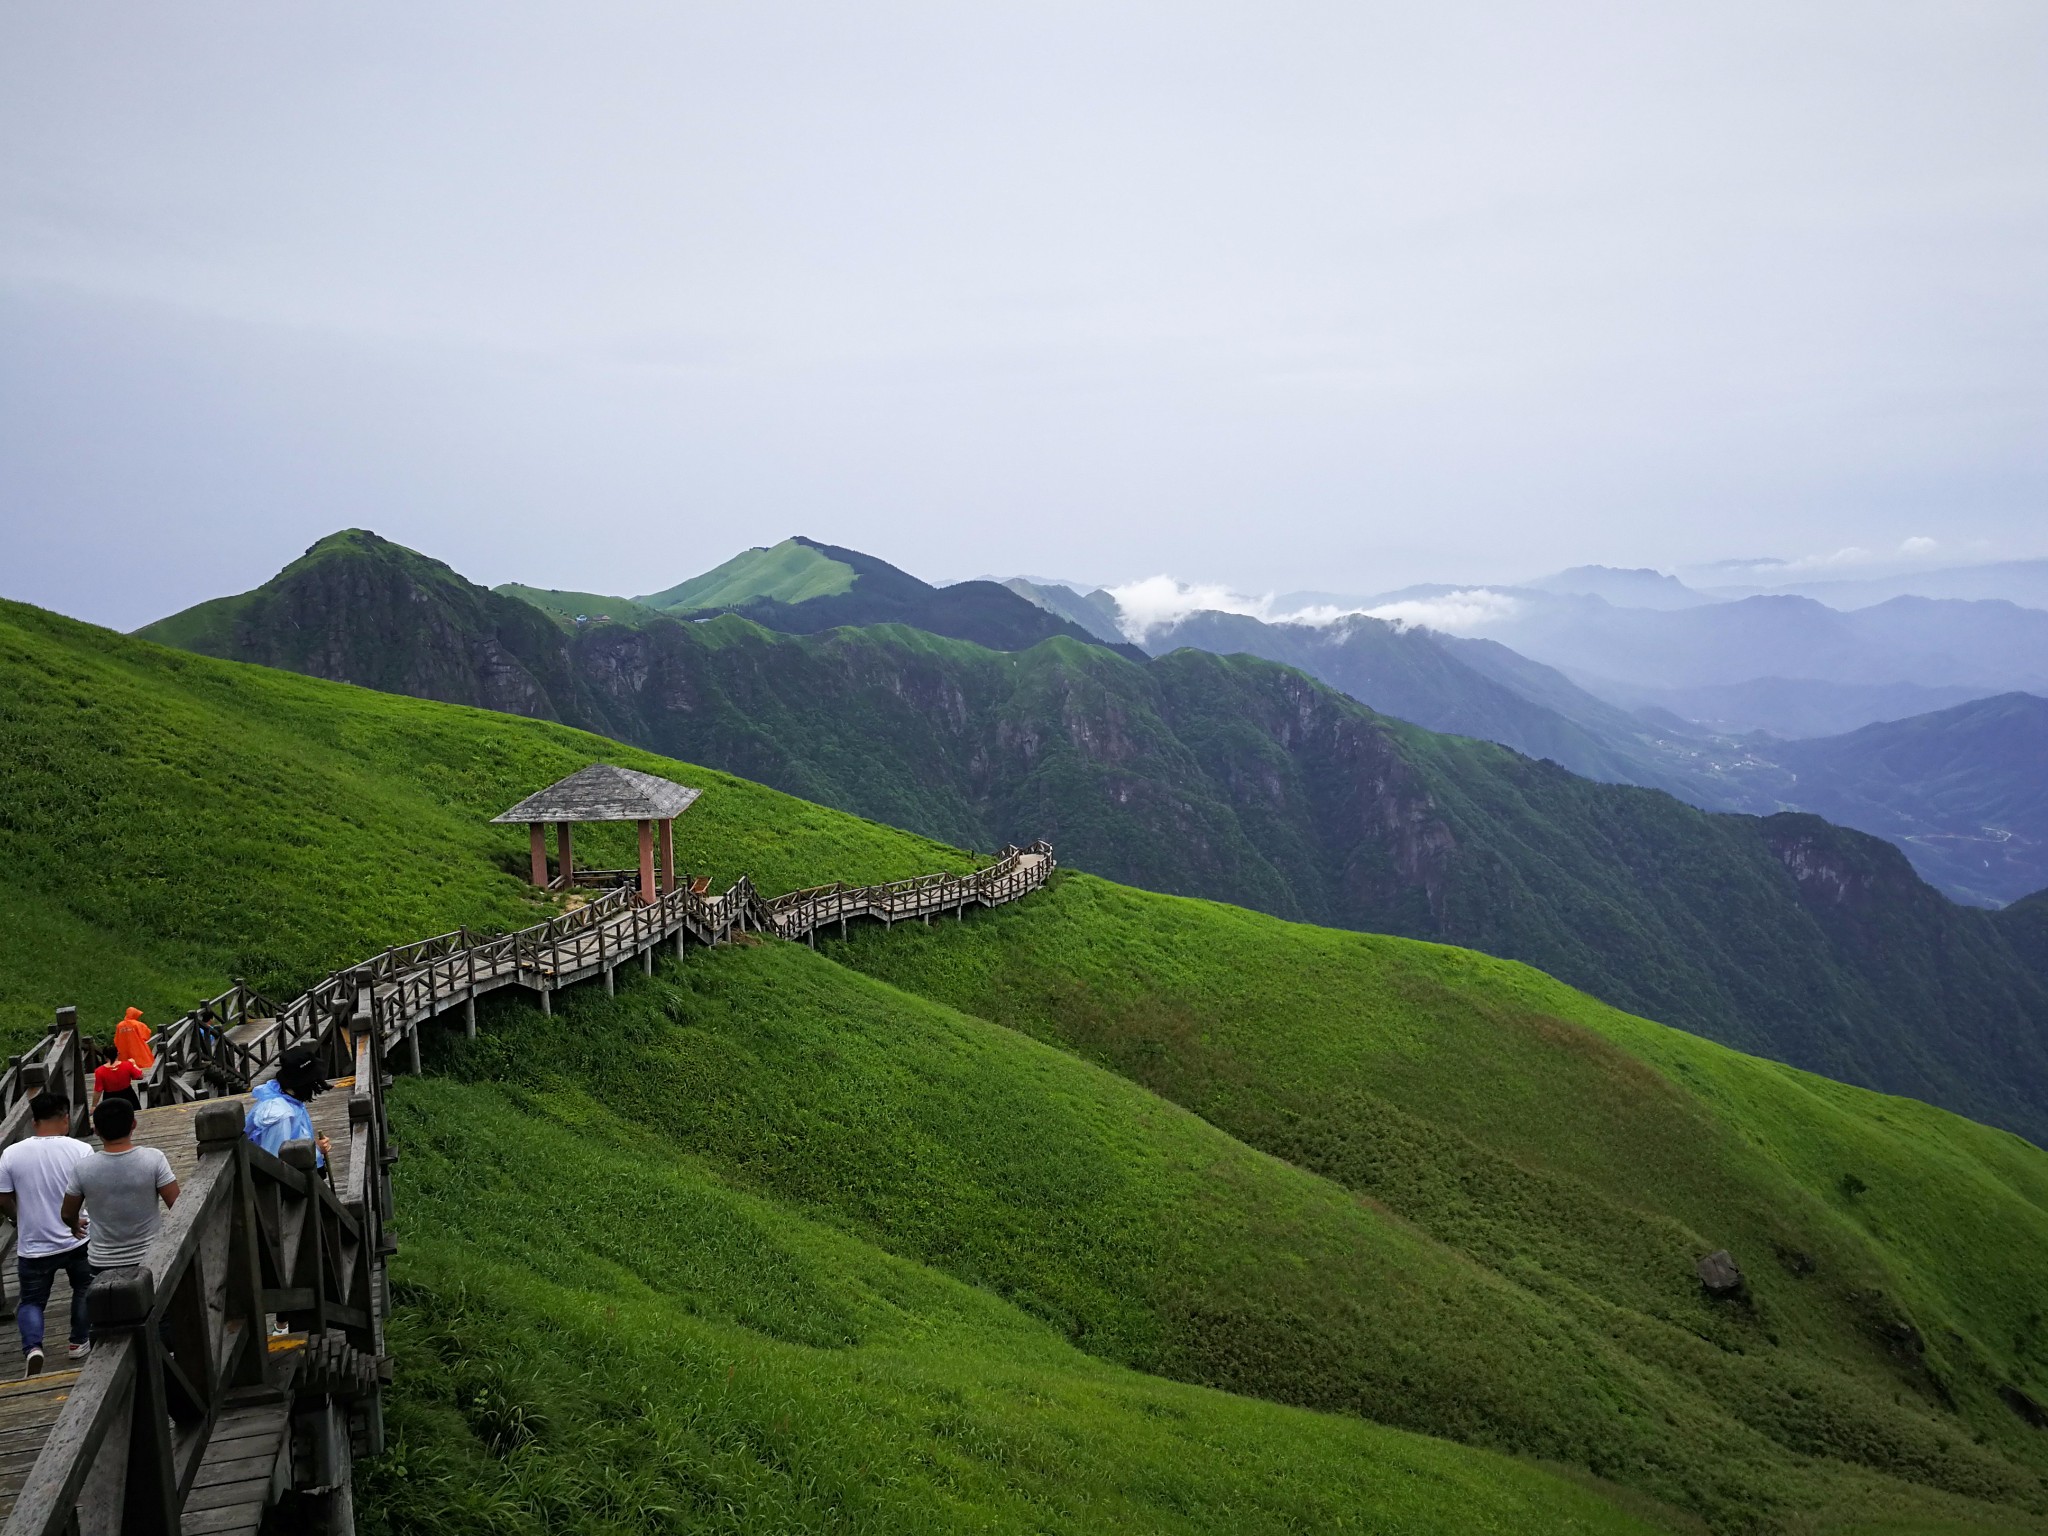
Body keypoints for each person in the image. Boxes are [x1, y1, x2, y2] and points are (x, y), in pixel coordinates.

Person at [0, 1092, 93, 1377]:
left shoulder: (11, 1154)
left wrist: (18, 1216)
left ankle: (33, 1348)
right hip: (77, 1235)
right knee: (84, 1288)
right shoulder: (80, 1150)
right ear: (65, 1117)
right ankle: (78, 1341)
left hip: (33, 1243)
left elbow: (2, 1196)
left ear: (33, 1120)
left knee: (31, 1301)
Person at [61, 1100, 178, 1288]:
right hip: (150, 1254)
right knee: (159, 1312)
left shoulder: (84, 1168)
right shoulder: (154, 1159)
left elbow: (67, 1213)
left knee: (107, 1313)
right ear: (133, 1124)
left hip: (102, 1261)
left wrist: (75, 1225)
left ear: (96, 1130)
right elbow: (176, 1204)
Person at [245, 1045, 332, 1170]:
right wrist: (315, 1150)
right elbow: (274, 1164)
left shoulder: (287, 1096)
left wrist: (315, 1148)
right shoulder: (280, 1116)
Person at [90, 1044, 143, 1111]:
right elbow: (140, 1076)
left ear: (105, 1056)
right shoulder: (127, 1065)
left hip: (110, 1098)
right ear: (117, 1054)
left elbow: (98, 1090)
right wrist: (134, 1064)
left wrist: (94, 1106)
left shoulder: (99, 1071)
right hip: (128, 1095)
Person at [113, 1007, 155, 1073]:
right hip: (138, 1050)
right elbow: (147, 1034)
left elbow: (116, 1040)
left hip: (124, 1052)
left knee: (125, 1067)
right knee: (142, 1065)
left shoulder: (119, 1025)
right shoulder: (138, 1024)